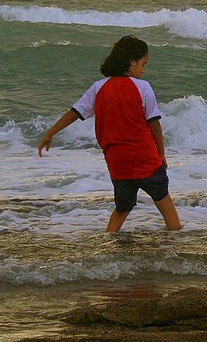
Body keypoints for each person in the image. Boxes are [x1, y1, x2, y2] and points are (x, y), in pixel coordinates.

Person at [37, 35, 182, 233]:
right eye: (143, 64)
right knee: (165, 205)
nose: (143, 69)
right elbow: (154, 124)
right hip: (144, 157)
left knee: (122, 208)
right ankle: (176, 242)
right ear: (132, 62)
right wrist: (161, 154)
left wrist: (50, 132)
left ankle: (109, 241)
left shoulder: (98, 87)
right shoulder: (143, 87)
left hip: (117, 162)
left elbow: (75, 113)